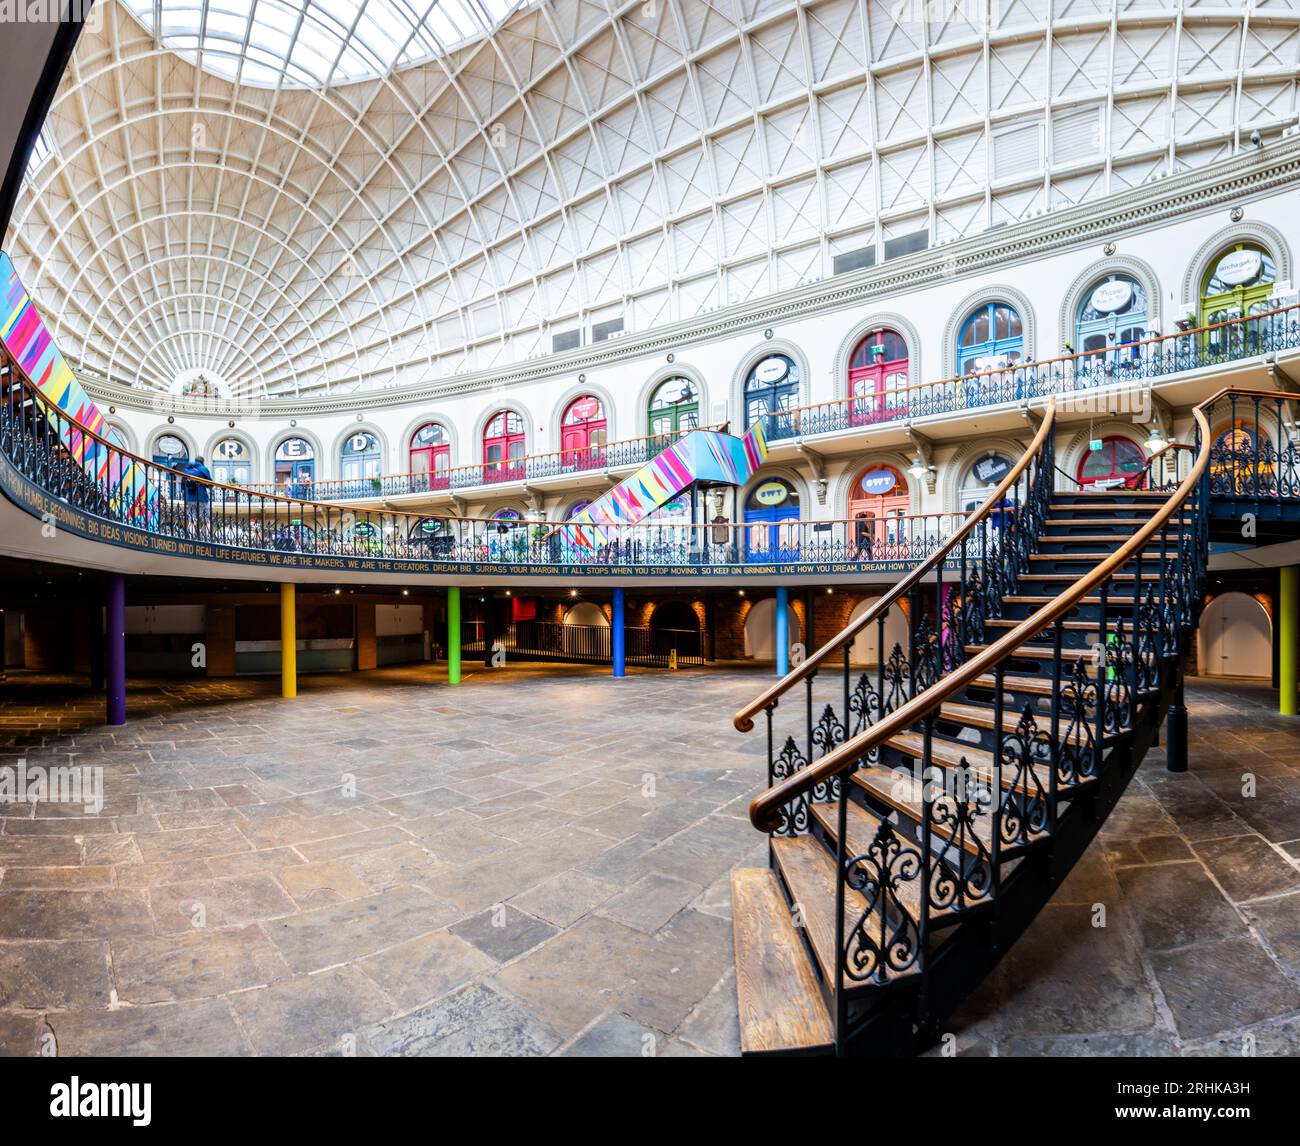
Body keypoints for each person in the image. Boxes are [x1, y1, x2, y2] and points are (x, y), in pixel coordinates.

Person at [179, 455, 212, 533]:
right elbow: (210, 484)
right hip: (202, 498)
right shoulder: (203, 469)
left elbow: (183, 484)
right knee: (206, 520)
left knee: (192, 519)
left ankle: (191, 536)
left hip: (189, 498)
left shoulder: (186, 470)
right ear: (202, 462)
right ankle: (208, 538)